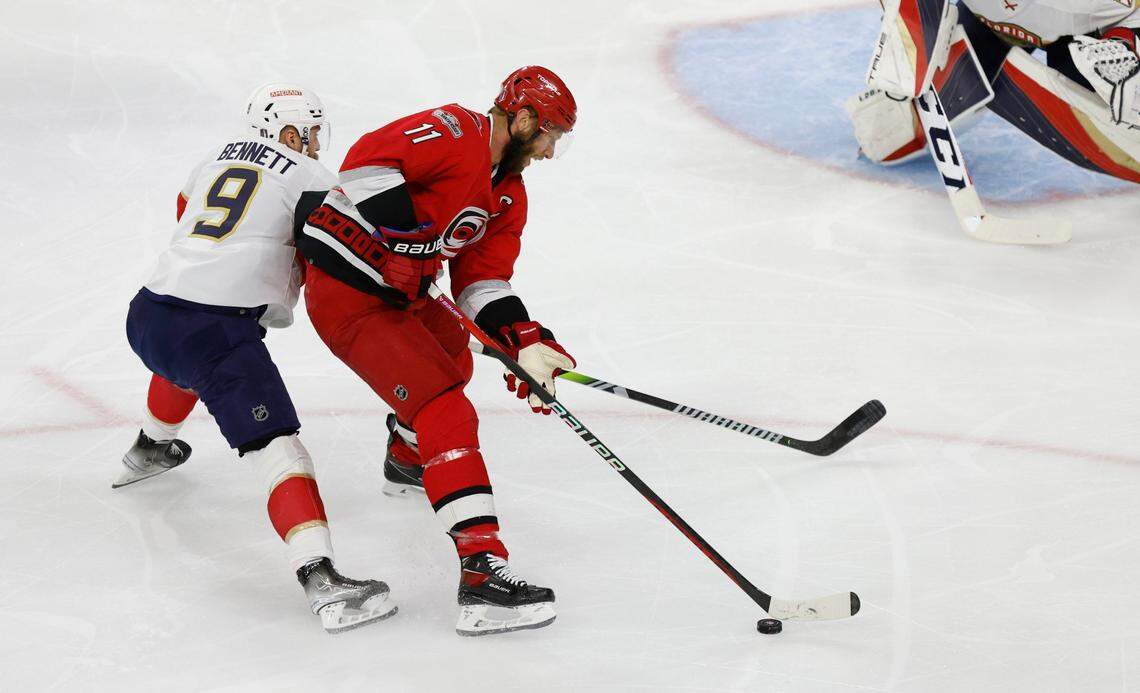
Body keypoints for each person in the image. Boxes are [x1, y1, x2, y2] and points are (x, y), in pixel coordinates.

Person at [295, 66, 577, 636]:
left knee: (452, 355)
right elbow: (367, 162)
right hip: (349, 293)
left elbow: (482, 283)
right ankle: (482, 575)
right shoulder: (454, 129)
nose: (549, 152)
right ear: (524, 119)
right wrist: (403, 239)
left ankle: (407, 456)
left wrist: (524, 338)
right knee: (445, 405)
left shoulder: (508, 195)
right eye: (549, 136)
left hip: (405, 295)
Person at [116, 83, 396, 634]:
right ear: (288, 132)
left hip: (148, 312)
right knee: (280, 452)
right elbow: (339, 255)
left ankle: (149, 448)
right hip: (214, 328)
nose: (315, 144)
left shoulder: (212, 158)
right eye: (310, 133)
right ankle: (322, 581)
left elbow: (189, 219)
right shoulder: (313, 177)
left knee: (187, 366)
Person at [846, 0, 1140, 183]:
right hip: (992, 25)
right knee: (888, 129)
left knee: (1123, 102)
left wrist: (1125, 41)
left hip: (1093, 32)